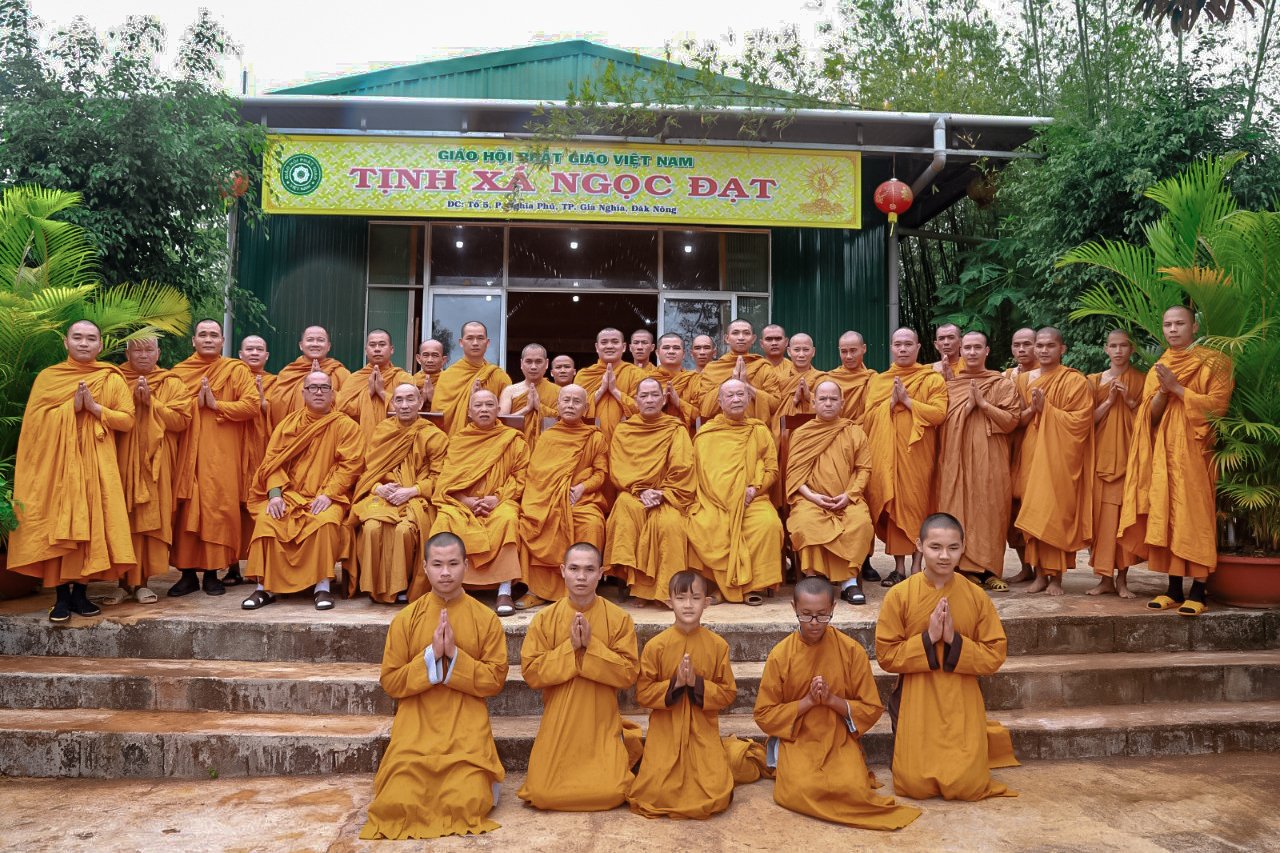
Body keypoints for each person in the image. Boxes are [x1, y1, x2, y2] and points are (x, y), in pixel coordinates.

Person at [359, 532, 509, 840]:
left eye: (453, 563)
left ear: (466, 566)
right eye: (437, 564)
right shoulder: (406, 619)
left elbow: (495, 679)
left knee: (465, 801)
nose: (445, 572)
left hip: (466, 734)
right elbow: (391, 681)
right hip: (415, 733)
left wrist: (455, 656)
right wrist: (430, 657)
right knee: (397, 803)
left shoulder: (486, 619)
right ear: (425, 567)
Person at [754, 576, 921, 831]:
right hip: (798, 737)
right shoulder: (781, 655)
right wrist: (808, 702)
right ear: (793, 609)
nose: (814, 623)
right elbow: (765, 714)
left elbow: (871, 707)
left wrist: (832, 700)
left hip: (838, 734)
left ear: (833, 608)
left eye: (822, 615)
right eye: (806, 615)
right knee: (799, 790)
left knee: (852, 787)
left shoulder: (851, 650)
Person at [875, 513, 1019, 800]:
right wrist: (928, 638)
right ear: (919, 545)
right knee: (913, 785)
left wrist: (955, 640)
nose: (944, 556)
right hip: (917, 696)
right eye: (935, 547)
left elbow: (994, 655)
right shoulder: (900, 595)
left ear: (963, 548)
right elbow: (886, 656)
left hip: (960, 698)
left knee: (967, 785)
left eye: (953, 548)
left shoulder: (976, 597)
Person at [7, 320, 134, 622]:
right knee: (59, 522)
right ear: (65, 343)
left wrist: (95, 408)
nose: (84, 343)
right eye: (77, 337)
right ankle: (61, 598)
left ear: (100, 345)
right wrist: (71, 410)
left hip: (96, 464)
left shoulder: (110, 377)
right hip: (57, 466)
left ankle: (81, 594)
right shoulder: (48, 378)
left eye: (91, 339)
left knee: (91, 524)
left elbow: (127, 421)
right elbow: (33, 426)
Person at [1122, 306, 1234, 616]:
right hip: (1164, 455)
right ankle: (1173, 588)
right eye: (1168, 324)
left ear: (1194, 327)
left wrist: (1177, 388)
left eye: (1180, 323)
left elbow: (1218, 406)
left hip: (1197, 452)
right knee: (1167, 516)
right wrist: (1162, 391)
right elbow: (1149, 417)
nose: (1173, 329)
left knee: (1194, 517)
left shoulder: (1215, 362)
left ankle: (1199, 590)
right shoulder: (1161, 366)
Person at [518, 542, 641, 811]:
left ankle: (619, 748)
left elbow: (628, 674)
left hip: (600, 720)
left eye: (589, 569)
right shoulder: (544, 619)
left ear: (601, 573)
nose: (581, 577)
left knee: (612, 792)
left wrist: (592, 647)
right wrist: (571, 648)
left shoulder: (619, 619)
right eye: (574, 569)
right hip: (559, 721)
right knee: (542, 794)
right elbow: (532, 673)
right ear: (563, 571)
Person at [627, 570, 745, 819]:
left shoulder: (717, 646)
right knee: (653, 793)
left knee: (716, 792)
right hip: (665, 731)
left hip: (703, 732)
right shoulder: (656, 646)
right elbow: (643, 693)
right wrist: (676, 683)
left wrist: (696, 683)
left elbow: (727, 693)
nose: (688, 605)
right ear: (669, 602)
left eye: (695, 598)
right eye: (681, 598)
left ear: (707, 602)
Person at [241, 371, 362, 612]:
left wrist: (328, 494)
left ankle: (322, 586)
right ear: (303, 392)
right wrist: (274, 494)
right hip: (289, 494)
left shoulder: (346, 426)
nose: (319, 392)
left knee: (325, 522)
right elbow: (272, 463)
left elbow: (351, 464)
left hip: (327, 496)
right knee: (267, 520)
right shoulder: (288, 424)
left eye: (324, 387)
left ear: (332, 393)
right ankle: (264, 587)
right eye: (313, 388)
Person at [171, 319, 261, 597]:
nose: (208, 339)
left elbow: (251, 405)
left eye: (214, 335)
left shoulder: (236, 370)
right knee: (186, 510)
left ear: (223, 341)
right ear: (193, 341)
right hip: (187, 453)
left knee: (218, 510)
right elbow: (168, 409)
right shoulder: (178, 373)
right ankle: (186, 575)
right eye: (203, 335)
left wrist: (216, 404)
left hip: (223, 455)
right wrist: (194, 403)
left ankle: (213, 574)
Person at [429, 390, 528, 615]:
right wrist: (465, 500)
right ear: (470, 412)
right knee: (444, 521)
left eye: (489, 405)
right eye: (479, 406)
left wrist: (497, 498)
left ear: (498, 410)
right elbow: (446, 479)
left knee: (508, 520)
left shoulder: (513, 439)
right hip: (461, 502)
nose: (484, 409)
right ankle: (447, 589)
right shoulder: (459, 441)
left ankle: (504, 590)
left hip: (501, 500)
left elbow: (520, 476)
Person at [936, 332, 1021, 591]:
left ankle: (990, 571)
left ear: (987, 351)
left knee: (991, 509)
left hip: (990, 458)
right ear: (960, 351)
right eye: (968, 348)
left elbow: (1011, 422)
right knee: (957, 508)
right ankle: (963, 569)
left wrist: (983, 405)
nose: (972, 352)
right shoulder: (950, 386)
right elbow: (940, 422)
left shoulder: (1001, 384)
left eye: (977, 347)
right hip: (956, 458)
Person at [348, 383, 448, 604]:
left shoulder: (434, 436)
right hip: (384, 495)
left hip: (417, 497)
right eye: (399, 400)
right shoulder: (383, 431)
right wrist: (377, 488)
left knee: (405, 530)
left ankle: (403, 586)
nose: (404, 405)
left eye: (410, 399)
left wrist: (412, 491)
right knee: (372, 526)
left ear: (420, 402)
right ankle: (374, 588)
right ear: (392, 404)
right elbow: (367, 471)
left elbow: (440, 477)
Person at [688, 379, 783, 605]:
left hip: (753, 499)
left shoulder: (759, 430)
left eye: (740, 394)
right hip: (713, 501)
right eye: (729, 396)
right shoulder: (706, 434)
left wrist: (755, 489)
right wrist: (718, 498)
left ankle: (753, 586)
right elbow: (697, 474)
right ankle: (717, 585)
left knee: (769, 524)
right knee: (701, 524)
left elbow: (771, 469)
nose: (736, 399)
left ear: (749, 398)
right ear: (720, 402)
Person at [864, 328, 948, 587]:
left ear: (918, 348)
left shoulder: (931, 379)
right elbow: (867, 419)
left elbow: (939, 414)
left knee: (918, 507)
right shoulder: (880, 381)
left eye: (908, 344)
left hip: (918, 455)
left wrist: (908, 402)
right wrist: (890, 403)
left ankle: (917, 566)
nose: (902, 349)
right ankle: (899, 568)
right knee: (894, 508)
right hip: (888, 456)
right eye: (898, 344)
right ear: (891, 347)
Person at [1016, 328, 1094, 597]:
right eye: (1040, 345)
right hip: (1032, 452)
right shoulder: (1024, 379)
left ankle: (1056, 579)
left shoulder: (1075, 381)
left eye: (1050, 345)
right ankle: (1039, 575)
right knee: (1034, 512)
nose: (1043, 350)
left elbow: (1081, 421)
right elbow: (1019, 420)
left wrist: (1047, 410)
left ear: (1062, 349)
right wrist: (1033, 410)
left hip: (1060, 456)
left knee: (1055, 514)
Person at [114, 337, 191, 604]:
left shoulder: (171, 382)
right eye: (138, 350)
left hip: (158, 461)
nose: (143, 355)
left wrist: (151, 404)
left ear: (159, 352)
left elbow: (181, 422)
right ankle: (122, 583)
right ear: (127, 352)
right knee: (122, 515)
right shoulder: (114, 379)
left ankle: (143, 581)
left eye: (149, 350)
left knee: (150, 517)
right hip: (121, 457)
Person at [605, 377, 695, 606]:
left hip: (668, 494)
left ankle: (666, 590)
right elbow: (617, 469)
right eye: (643, 396)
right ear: (635, 400)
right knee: (625, 508)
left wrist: (662, 492)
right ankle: (637, 587)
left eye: (654, 395)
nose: (649, 400)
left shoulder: (675, 428)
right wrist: (641, 489)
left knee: (669, 524)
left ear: (664, 398)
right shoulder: (625, 430)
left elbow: (683, 466)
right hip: (634, 491)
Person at [519, 385, 608, 605]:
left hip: (583, 499)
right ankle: (537, 591)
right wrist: (552, 496)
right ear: (557, 405)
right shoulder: (547, 437)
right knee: (532, 522)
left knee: (593, 523)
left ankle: (585, 590)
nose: (570, 405)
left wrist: (582, 488)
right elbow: (536, 475)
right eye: (566, 400)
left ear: (586, 408)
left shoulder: (594, 437)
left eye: (576, 401)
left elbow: (601, 473)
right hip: (548, 498)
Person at [785, 381, 873, 605]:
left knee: (860, 523)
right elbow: (794, 476)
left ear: (842, 403)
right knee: (805, 524)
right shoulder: (802, 434)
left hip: (848, 499)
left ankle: (849, 583)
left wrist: (849, 495)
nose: (828, 403)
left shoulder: (854, 431)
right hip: (810, 500)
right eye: (822, 399)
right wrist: (813, 497)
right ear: (813, 403)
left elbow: (864, 469)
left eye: (833, 399)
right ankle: (814, 580)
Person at [1088, 330, 1145, 598]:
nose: (1119, 350)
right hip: (1099, 460)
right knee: (1101, 522)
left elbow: (1149, 423)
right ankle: (1104, 579)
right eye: (1113, 346)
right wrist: (1110, 401)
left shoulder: (1142, 380)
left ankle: (1123, 579)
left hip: (1128, 461)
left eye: (1123, 346)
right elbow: (1088, 423)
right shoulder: (1094, 381)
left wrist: (1130, 402)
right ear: (1105, 349)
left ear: (1131, 349)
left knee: (1123, 520)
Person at [235, 334, 275, 585]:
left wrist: (263, 404)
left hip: (263, 450)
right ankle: (230, 565)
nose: (254, 353)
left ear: (267, 355)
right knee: (233, 507)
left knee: (257, 504)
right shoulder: (231, 377)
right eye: (249, 349)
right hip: (234, 447)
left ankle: (256, 564)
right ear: (240, 354)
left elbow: (286, 418)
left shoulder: (278, 382)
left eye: (259, 349)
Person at [431, 321, 510, 437]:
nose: (475, 343)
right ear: (461, 342)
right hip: (455, 442)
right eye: (470, 338)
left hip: (490, 442)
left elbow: (504, 417)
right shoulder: (447, 376)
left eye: (480, 338)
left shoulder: (499, 376)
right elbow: (440, 417)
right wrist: (470, 402)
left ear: (487, 343)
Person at [336, 329, 414, 447]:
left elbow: (410, 412)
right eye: (372, 345)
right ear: (366, 350)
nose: (377, 349)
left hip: (395, 441)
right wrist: (369, 392)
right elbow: (342, 411)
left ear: (391, 349)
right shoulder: (354, 379)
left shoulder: (403, 378)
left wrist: (382, 392)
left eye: (382, 344)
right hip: (359, 441)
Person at [1004, 327, 1038, 584]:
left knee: (1034, 506)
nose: (1021, 349)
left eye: (1027, 344)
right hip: (1009, 448)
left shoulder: (1048, 376)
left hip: (1038, 449)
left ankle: (1045, 570)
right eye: (1017, 344)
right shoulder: (1006, 377)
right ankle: (1025, 566)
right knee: (1012, 510)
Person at [698, 320, 779, 423]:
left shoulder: (764, 367)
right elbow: (705, 409)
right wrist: (732, 382)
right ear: (727, 338)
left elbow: (775, 405)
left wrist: (747, 386)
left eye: (746, 333)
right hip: (720, 429)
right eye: (735, 333)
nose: (741, 337)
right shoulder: (712, 368)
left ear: (753, 339)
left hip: (754, 429)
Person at [267, 325, 350, 425]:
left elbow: (350, 406)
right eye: (310, 340)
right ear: (301, 345)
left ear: (328, 346)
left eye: (320, 340)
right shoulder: (288, 373)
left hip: (328, 431)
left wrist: (322, 383)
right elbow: (276, 406)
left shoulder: (341, 373)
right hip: (294, 433)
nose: (315, 344)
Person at [574, 327, 643, 441]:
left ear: (624, 347)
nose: (609, 346)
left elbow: (643, 409)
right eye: (604, 342)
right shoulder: (584, 375)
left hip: (627, 440)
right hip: (590, 441)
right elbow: (573, 410)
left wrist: (615, 391)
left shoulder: (636, 374)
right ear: (597, 347)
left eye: (615, 342)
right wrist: (601, 390)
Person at [498, 343, 558, 449]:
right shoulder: (510, 391)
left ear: (547, 363)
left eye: (538, 361)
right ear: (521, 363)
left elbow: (563, 424)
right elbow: (501, 424)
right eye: (528, 361)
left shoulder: (558, 392)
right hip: (516, 447)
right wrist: (527, 408)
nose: (533, 367)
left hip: (548, 448)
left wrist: (539, 407)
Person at [772, 333, 828, 424]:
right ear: (789, 352)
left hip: (814, 429)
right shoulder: (777, 377)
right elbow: (772, 407)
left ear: (813, 352)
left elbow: (830, 408)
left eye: (806, 350)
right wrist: (794, 400)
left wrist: (809, 396)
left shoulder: (823, 379)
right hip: (783, 429)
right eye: (797, 350)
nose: (801, 354)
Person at [650, 333, 702, 426]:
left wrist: (678, 402)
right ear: (657, 353)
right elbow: (636, 412)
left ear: (683, 354)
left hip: (685, 436)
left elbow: (701, 417)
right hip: (654, 434)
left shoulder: (695, 379)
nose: (671, 351)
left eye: (676, 348)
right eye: (666, 347)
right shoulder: (648, 381)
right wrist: (659, 404)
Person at [826, 331, 877, 424]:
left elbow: (874, 411)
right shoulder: (829, 378)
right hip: (833, 430)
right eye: (844, 351)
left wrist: (852, 426)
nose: (848, 356)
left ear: (864, 349)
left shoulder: (872, 379)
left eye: (853, 350)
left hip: (862, 432)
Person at [414, 338, 445, 411]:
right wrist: (422, 399)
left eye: (435, 355)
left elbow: (453, 410)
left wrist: (433, 399)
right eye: (425, 355)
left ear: (443, 360)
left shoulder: (450, 382)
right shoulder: (410, 381)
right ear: (418, 358)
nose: (430, 360)